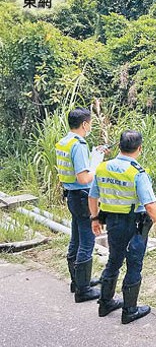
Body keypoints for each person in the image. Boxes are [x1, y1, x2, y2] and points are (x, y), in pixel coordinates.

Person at [88, 130, 156, 324]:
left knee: (114, 261)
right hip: (134, 224)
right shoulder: (137, 172)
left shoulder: (102, 168)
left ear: (119, 146)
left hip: (112, 223)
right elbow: (150, 206)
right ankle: (129, 310)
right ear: (139, 149)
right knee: (134, 264)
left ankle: (105, 303)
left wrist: (94, 219)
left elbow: (93, 197)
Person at [55, 107, 101, 303]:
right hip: (82, 196)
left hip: (72, 196)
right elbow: (84, 178)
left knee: (75, 238)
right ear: (84, 124)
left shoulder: (64, 142)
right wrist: (98, 165)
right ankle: (83, 290)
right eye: (90, 123)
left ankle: (77, 282)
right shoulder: (79, 145)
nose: (90, 126)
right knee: (87, 242)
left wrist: (94, 156)